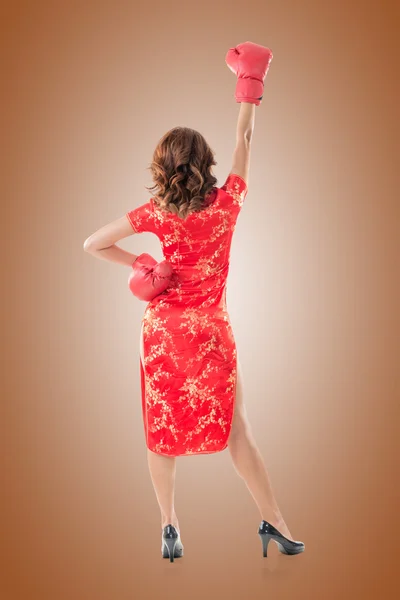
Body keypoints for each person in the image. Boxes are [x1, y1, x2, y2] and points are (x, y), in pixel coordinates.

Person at [84, 42, 304, 562]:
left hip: (162, 332)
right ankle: (275, 522)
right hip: (210, 331)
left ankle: (169, 526)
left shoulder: (155, 213)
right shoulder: (228, 204)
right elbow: (245, 137)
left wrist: (143, 266)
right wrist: (249, 83)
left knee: (161, 430)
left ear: (163, 168)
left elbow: (92, 244)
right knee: (236, 429)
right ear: (204, 164)